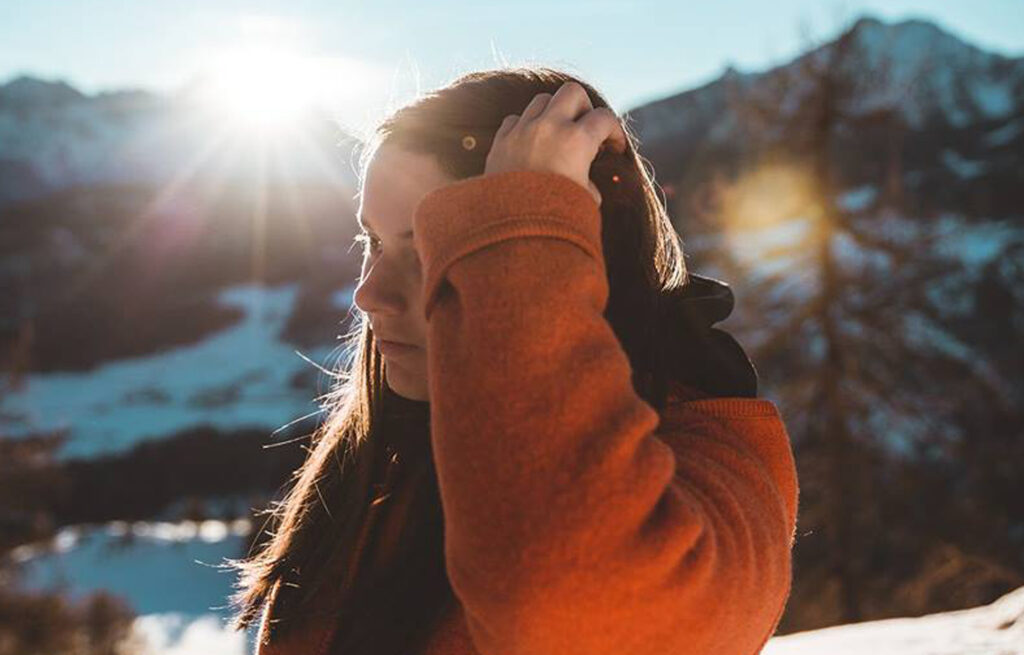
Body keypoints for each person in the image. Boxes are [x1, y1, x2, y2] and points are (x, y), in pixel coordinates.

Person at [228, 66, 800, 655]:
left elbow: (560, 608)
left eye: (432, 247)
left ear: (562, 247)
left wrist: (520, 221)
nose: (368, 294)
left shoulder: (718, 464)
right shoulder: (386, 456)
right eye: (371, 241)